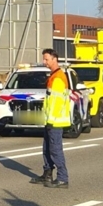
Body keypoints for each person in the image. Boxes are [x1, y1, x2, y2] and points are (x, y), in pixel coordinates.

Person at [30, 48, 70, 188]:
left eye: (46, 59)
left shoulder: (58, 77)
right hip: (50, 120)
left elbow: (56, 103)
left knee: (55, 150)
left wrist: (51, 121)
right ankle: (47, 174)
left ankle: (63, 178)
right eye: (44, 59)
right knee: (47, 148)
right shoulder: (54, 76)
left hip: (55, 121)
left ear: (54, 59)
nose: (44, 62)